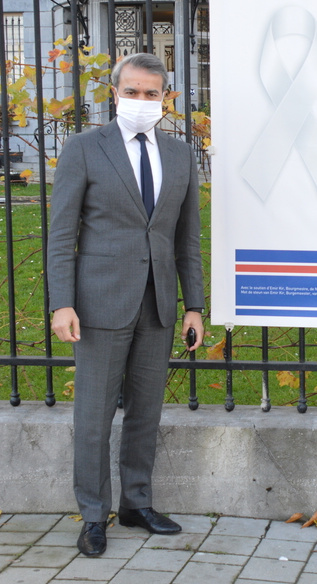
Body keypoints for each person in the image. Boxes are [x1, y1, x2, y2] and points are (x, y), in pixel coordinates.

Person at [47, 52, 206, 557]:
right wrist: (61, 303)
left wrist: (194, 306)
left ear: (166, 98)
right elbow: (61, 235)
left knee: (146, 412)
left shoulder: (179, 155)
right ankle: (94, 514)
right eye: (132, 92)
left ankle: (137, 503)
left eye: (151, 94)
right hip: (98, 304)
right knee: (93, 414)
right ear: (115, 94)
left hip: (157, 303)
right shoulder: (85, 149)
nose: (141, 101)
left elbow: (188, 241)